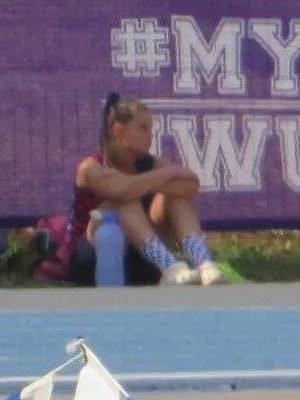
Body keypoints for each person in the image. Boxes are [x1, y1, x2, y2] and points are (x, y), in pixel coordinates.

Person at [71, 94, 225, 285]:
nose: (150, 135)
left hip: (143, 262)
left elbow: (191, 185)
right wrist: (168, 173)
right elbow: (121, 191)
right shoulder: (91, 167)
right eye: (142, 128)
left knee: (175, 198)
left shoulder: (151, 164)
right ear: (119, 130)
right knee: (123, 204)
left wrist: (147, 180)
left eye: (151, 129)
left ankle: (203, 263)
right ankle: (170, 267)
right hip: (94, 261)